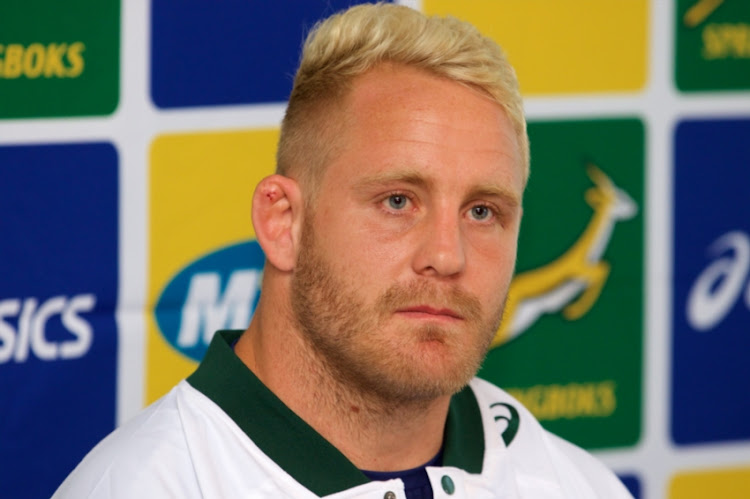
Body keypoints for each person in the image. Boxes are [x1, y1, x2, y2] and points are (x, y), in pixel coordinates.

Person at [55, 4, 632, 498]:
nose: (448, 256)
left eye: (483, 212)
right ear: (284, 222)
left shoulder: (575, 484)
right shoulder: (145, 485)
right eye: (398, 201)